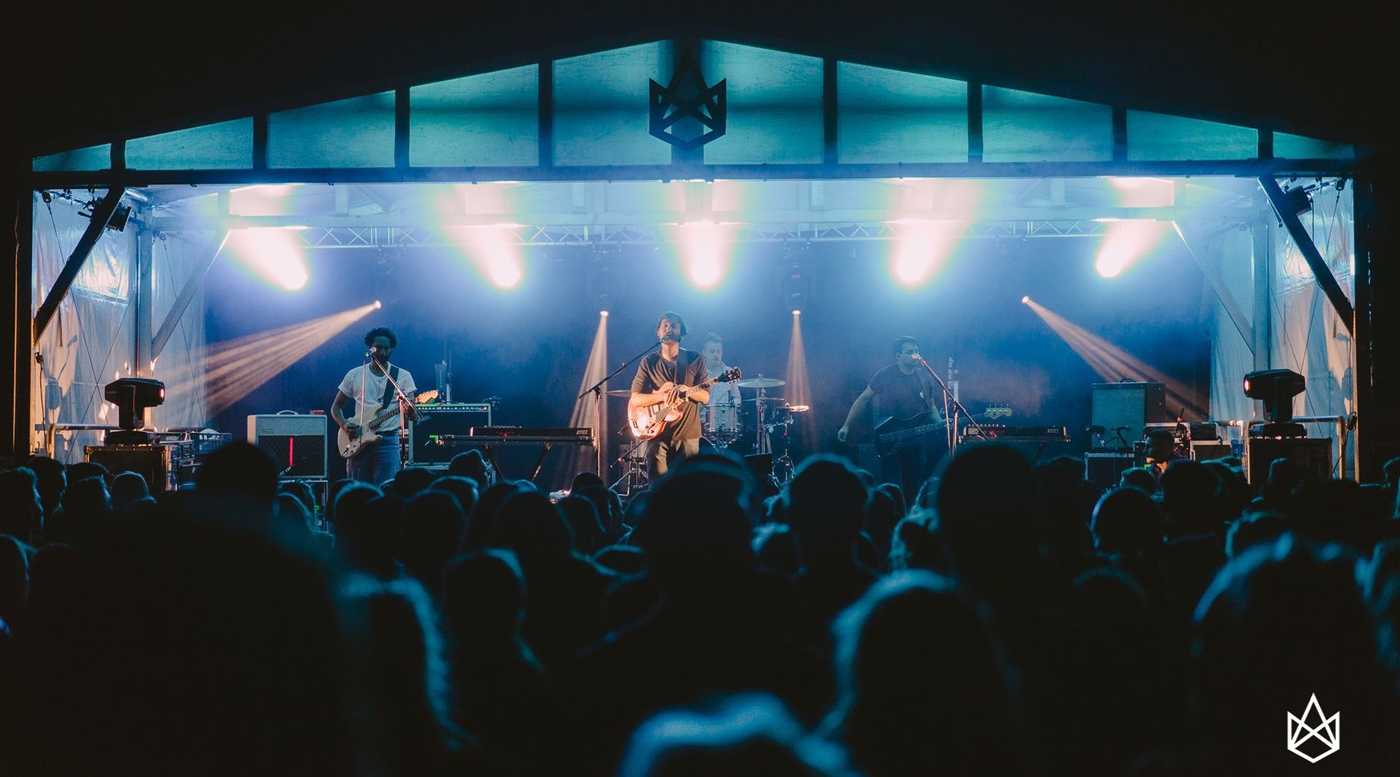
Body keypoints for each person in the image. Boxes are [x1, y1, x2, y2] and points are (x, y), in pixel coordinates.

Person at [837, 336, 941, 500]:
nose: (915, 355)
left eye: (917, 351)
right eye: (910, 352)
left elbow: (931, 406)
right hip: (889, 435)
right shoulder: (885, 374)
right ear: (898, 356)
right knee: (891, 485)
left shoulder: (925, 377)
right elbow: (863, 398)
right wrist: (847, 425)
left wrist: (941, 424)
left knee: (914, 483)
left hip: (915, 438)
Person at [331, 327, 418, 485]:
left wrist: (409, 409)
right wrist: (344, 425)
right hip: (358, 439)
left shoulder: (403, 376)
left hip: (388, 441)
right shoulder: (355, 374)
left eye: (387, 348)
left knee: (386, 491)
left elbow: (411, 413)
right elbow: (335, 407)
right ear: (370, 348)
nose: (383, 352)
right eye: (378, 347)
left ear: (392, 349)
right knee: (358, 491)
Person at [629, 312, 710, 479]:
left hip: (688, 436)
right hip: (657, 434)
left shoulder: (695, 359)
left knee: (687, 489)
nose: (669, 328)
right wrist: (663, 396)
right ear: (658, 332)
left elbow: (705, 397)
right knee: (658, 490)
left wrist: (686, 390)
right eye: (665, 325)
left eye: (674, 325)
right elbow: (635, 398)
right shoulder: (648, 361)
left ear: (681, 332)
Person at [700, 332, 742, 445]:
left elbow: (737, 398)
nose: (716, 355)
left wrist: (730, 409)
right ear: (704, 353)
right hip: (700, 425)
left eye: (718, 351)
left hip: (724, 424)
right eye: (712, 351)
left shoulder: (729, 372)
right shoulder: (698, 373)